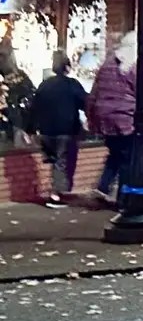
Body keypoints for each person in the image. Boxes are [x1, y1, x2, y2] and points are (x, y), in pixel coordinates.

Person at [86, 33, 143, 208]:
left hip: (105, 118)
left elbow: (94, 93)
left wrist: (91, 118)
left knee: (115, 154)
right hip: (125, 119)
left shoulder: (107, 65)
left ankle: (102, 188)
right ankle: (123, 199)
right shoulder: (134, 67)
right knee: (128, 159)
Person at [26, 51, 88, 207]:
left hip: (46, 131)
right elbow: (85, 102)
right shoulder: (72, 84)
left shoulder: (44, 85)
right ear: (67, 66)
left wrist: (31, 129)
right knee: (62, 163)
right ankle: (56, 195)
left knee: (55, 162)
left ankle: (57, 191)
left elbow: (34, 107)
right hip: (65, 130)